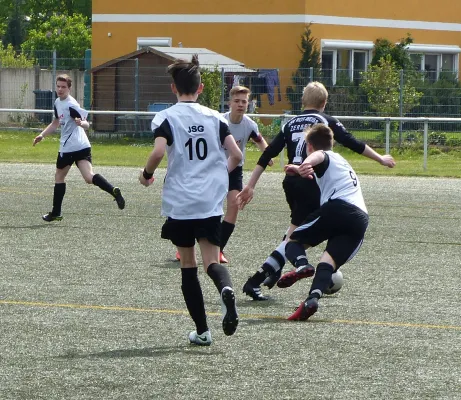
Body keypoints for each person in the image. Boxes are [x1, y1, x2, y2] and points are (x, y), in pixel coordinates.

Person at [238, 81, 395, 301]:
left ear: (302, 102)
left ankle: (267, 273)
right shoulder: (324, 121)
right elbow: (351, 142)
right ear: (324, 103)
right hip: (310, 179)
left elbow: (268, 153)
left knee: (295, 231)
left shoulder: (290, 123)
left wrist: (250, 185)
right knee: (300, 236)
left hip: (291, 182)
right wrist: (380, 159)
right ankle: (263, 276)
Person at [139, 54, 242, 346]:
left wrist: (146, 174)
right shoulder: (215, 118)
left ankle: (203, 331)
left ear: (173, 88)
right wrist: (217, 175)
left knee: (188, 264)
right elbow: (237, 155)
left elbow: (159, 152)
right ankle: (225, 289)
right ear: (201, 87)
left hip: (181, 201)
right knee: (212, 260)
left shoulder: (166, 117)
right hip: (209, 200)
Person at [278, 124, 369, 320]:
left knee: (292, 242)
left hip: (339, 208)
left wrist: (304, 164)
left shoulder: (323, 155)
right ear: (332, 142)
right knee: (327, 262)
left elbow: (320, 156)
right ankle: (312, 299)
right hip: (360, 219)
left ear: (309, 146)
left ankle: (302, 265)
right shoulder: (343, 161)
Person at [175, 86, 272, 264]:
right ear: (230, 103)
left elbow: (259, 140)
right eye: (237, 101)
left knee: (234, 206)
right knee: (204, 207)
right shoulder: (220, 120)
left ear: (248, 104)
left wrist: (267, 155)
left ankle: (219, 249)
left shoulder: (250, 124)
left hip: (235, 170)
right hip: (215, 167)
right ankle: (184, 246)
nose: (240, 104)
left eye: (244, 101)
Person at [33, 74, 125, 221]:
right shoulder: (57, 102)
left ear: (70, 88)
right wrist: (42, 135)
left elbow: (87, 124)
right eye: (58, 86)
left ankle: (56, 213)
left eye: (64, 87)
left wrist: (81, 123)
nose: (60, 89)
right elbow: (56, 122)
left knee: (59, 176)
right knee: (89, 177)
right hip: (83, 145)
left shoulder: (71, 105)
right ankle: (113, 191)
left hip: (70, 147)